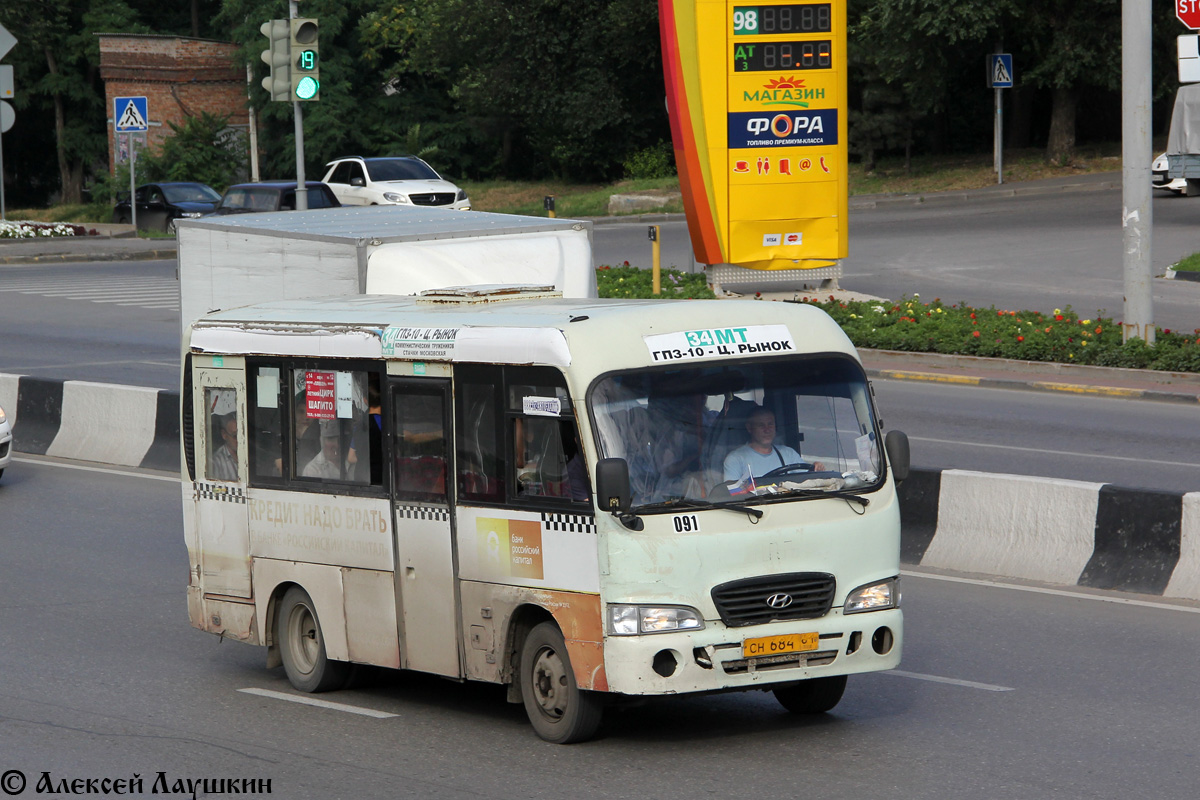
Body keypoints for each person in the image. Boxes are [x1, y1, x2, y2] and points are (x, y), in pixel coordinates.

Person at [722, 406, 824, 483]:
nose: (767, 430)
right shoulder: (735, 459)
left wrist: (816, 468)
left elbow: (807, 481)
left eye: (770, 424)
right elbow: (733, 495)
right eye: (761, 425)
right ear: (749, 428)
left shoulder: (788, 454)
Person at [209, 413, 239, 482]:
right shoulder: (216, 462)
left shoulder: (254, 455)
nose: (240, 440)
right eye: (235, 436)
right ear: (224, 435)